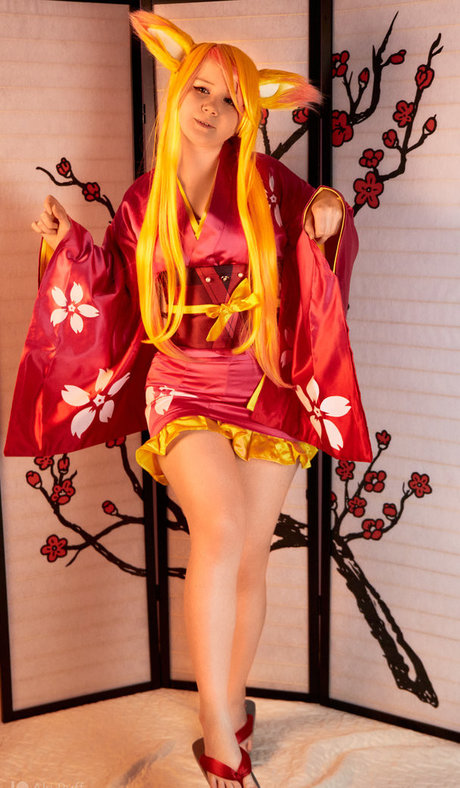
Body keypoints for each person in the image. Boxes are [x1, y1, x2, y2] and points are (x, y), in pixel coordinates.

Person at [5, 12, 371, 788]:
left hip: (264, 383)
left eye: (230, 99)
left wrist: (328, 216)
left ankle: (231, 702)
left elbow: (318, 240)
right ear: (176, 92)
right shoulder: (144, 199)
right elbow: (112, 289)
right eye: (200, 89)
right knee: (223, 523)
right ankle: (218, 735)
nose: (210, 106)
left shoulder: (268, 183)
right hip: (182, 384)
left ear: (249, 116)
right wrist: (67, 246)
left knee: (249, 554)